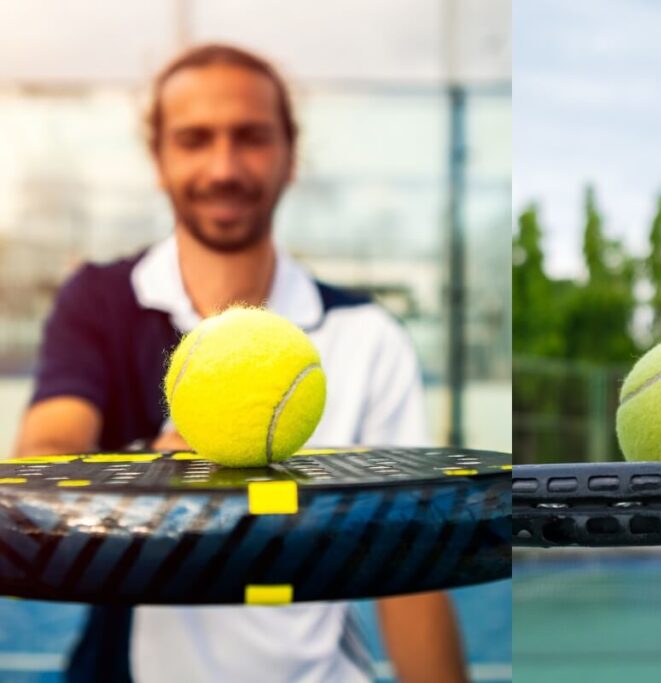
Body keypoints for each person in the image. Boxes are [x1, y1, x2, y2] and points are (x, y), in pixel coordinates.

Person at [13, 44, 467, 683]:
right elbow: (45, 453)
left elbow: (409, 569)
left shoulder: (369, 336)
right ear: (160, 158)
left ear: (289, 154)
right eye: (194, 139)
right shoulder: (97, 300)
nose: (223, 167)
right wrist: (152, 473)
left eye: (250, 137)